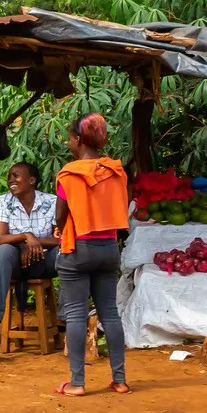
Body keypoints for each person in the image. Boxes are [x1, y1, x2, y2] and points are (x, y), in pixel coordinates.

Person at [52, 112, 130, 396]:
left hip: (78, 247)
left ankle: (77, 383)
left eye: (70, 137)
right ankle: (119, 380)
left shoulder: (69, 174)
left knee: (76, 315)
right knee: (110, 313)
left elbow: (61, 214)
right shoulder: (116, 172)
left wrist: (61, 230)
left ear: (77, 139)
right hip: (108, 247)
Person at [0, 161, 58, 351]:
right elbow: (0, 238)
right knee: (4, 250)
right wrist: (25, 238)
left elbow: (60, 239)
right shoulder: (3, 201)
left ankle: (68, 316)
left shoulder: (52, 202)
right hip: (15, 261)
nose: (11, 179)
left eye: (16, 176)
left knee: (67, 254)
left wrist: (35, 243)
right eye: (10, 176)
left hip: (45, 260)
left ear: (32, 180)